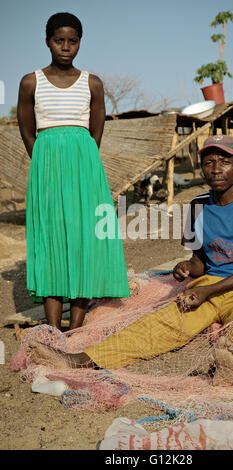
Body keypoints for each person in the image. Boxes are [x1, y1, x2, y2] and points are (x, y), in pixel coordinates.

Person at [27, 135, 233, 386]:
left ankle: (231, 366)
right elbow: (201, 262)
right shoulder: (197, 205)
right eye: (209, 163)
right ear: (203, 169)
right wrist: (185, 268)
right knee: (157, 325)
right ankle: (81, 360)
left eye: (224, 161)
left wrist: (208, 290)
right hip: (209, 288)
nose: (216, 169)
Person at [17, 12, 130, 331]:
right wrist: (43, 160)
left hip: (85, 168)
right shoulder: (31, 81)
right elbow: (26, 128)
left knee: (84, 238)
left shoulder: (92, 82)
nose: (65, 47)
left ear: (80, 42)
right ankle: (53, 328)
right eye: (58, 40)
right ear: (47, 42)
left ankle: (76, 325)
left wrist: (83, 162)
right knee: (51, 238)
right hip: (47, 168)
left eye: (72, 41)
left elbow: (96, 131)